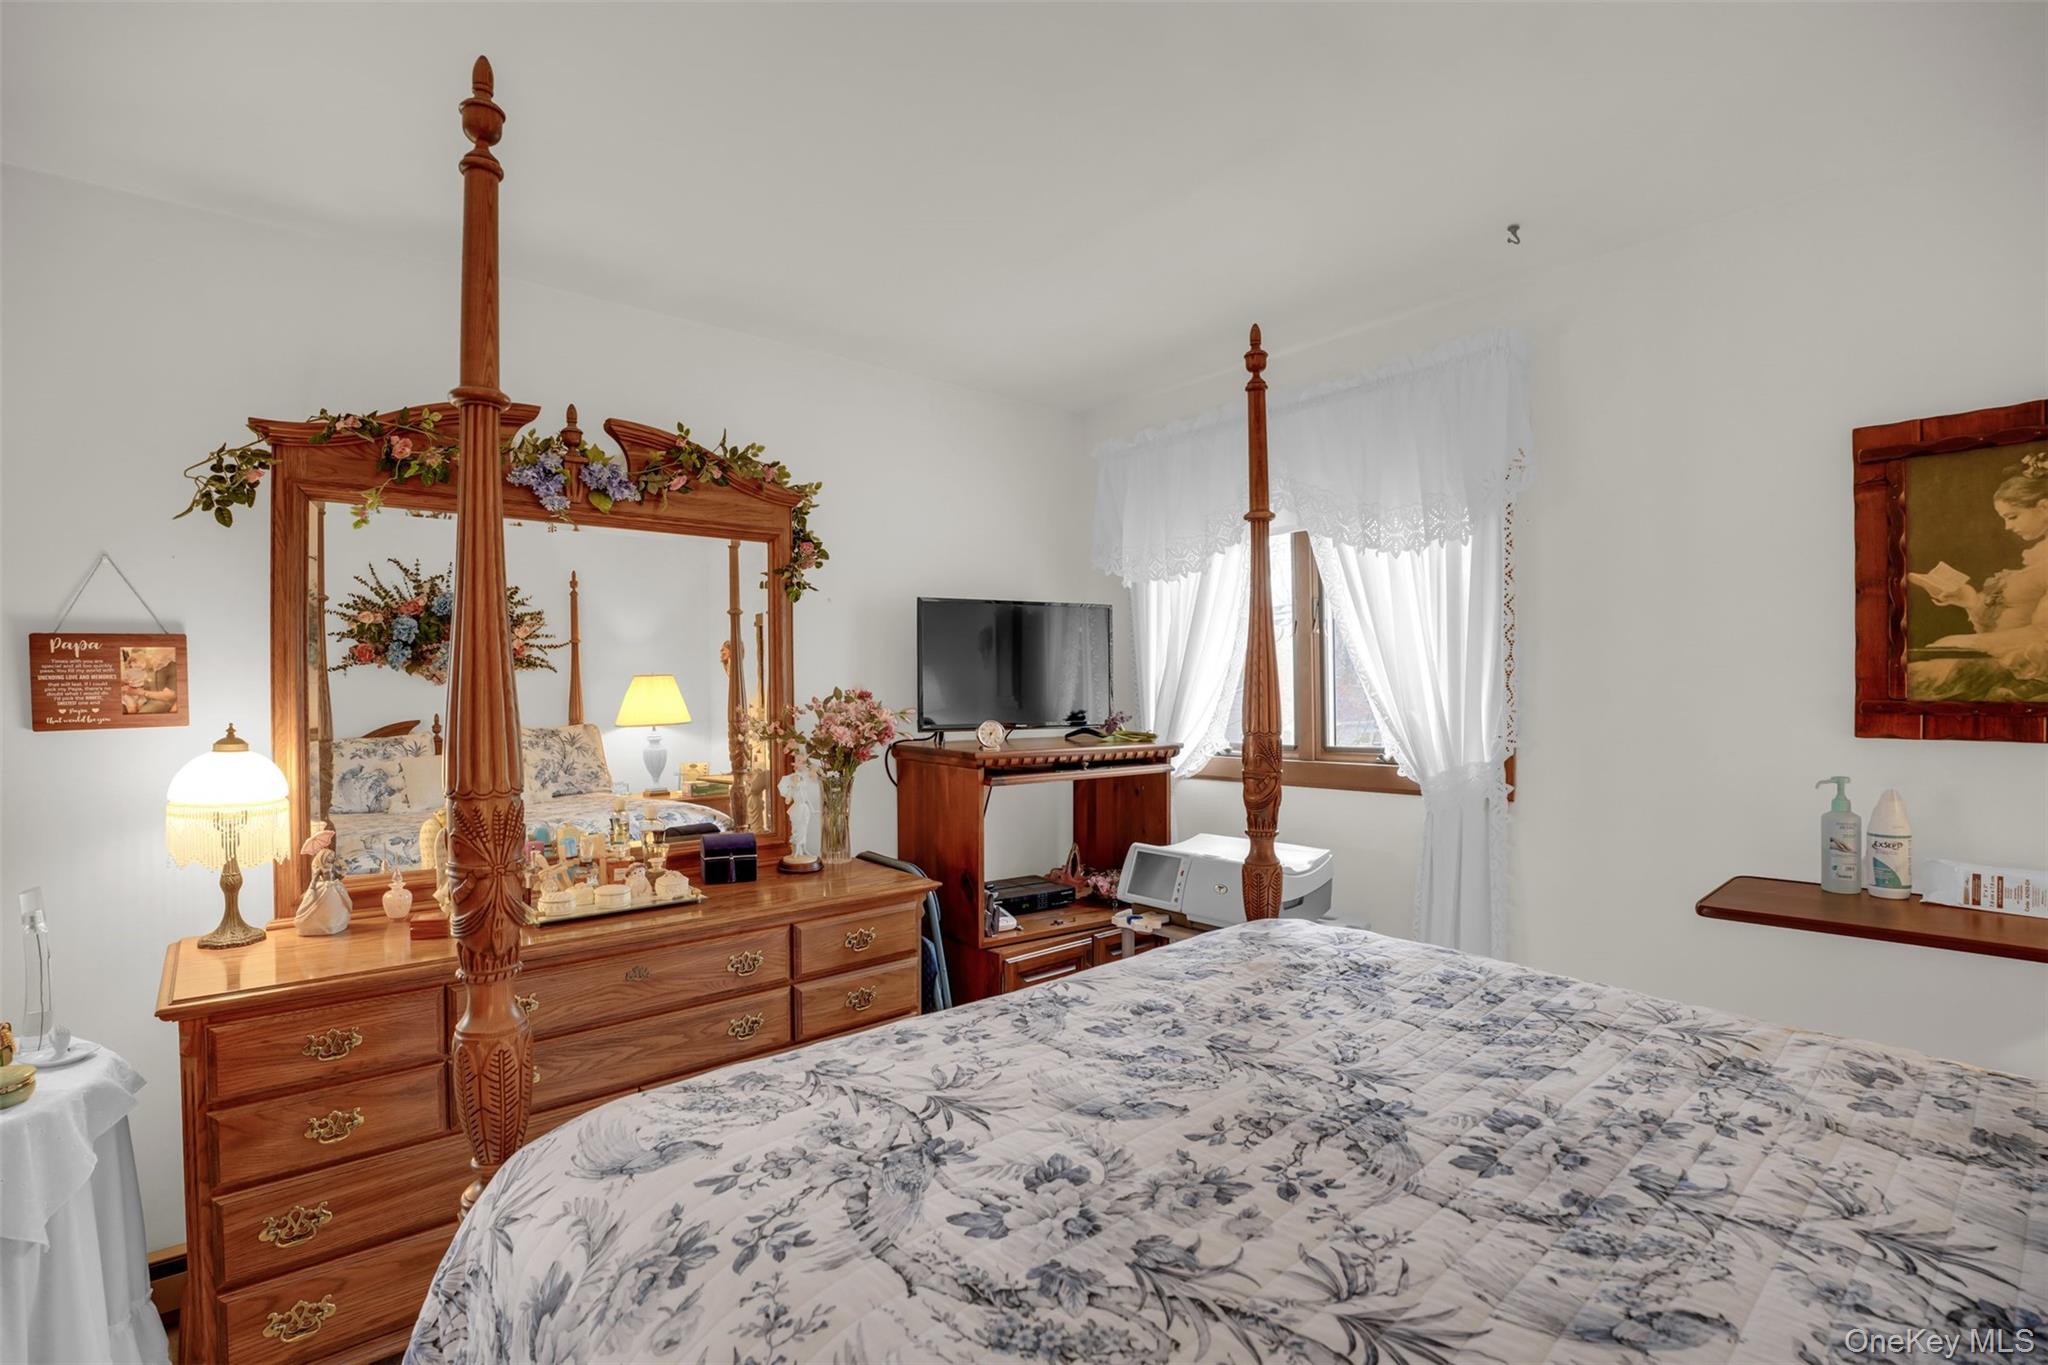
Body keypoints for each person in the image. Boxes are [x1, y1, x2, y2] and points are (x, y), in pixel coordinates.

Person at [1909, 453, 2048, 701]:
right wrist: (1971, 601)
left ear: (2044, 506)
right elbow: (2013, 622)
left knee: (1923, 674)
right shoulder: (2037, 558)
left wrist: (1972, 643)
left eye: (2012, 516)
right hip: (2005, 656)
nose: (2008, 527)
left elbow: (2043, 634)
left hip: (2026, 666)